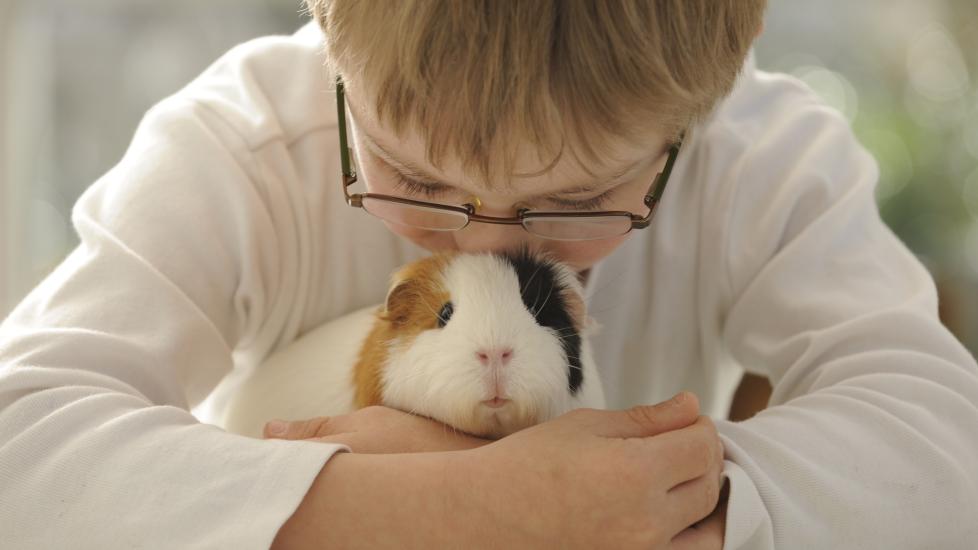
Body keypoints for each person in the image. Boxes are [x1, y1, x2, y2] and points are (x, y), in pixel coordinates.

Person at [1, 1, 977, 548]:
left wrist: (638, 508)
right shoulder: (238, 142)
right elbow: (22, 442)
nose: (490, 244)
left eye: (579, 200)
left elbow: (946, 443)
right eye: (415, 176)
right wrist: (462, 509)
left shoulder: (773, 160)